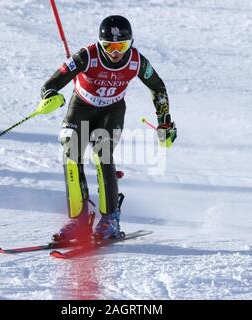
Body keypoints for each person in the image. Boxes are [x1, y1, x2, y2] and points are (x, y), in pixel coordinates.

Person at [37, 15, 177, 241]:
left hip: (111, 112)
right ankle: (78, 219)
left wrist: (165, 121)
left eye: (121, 46)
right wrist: (50, 96)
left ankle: (110, 218)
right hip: (81, 107)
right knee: (70, 151)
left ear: (130, 43)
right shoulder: (87, 56)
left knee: (102, 152)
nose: (115, 52)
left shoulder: (135, 61)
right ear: (100, 44)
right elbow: (52, 83)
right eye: (109, 46)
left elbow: (158, 87)